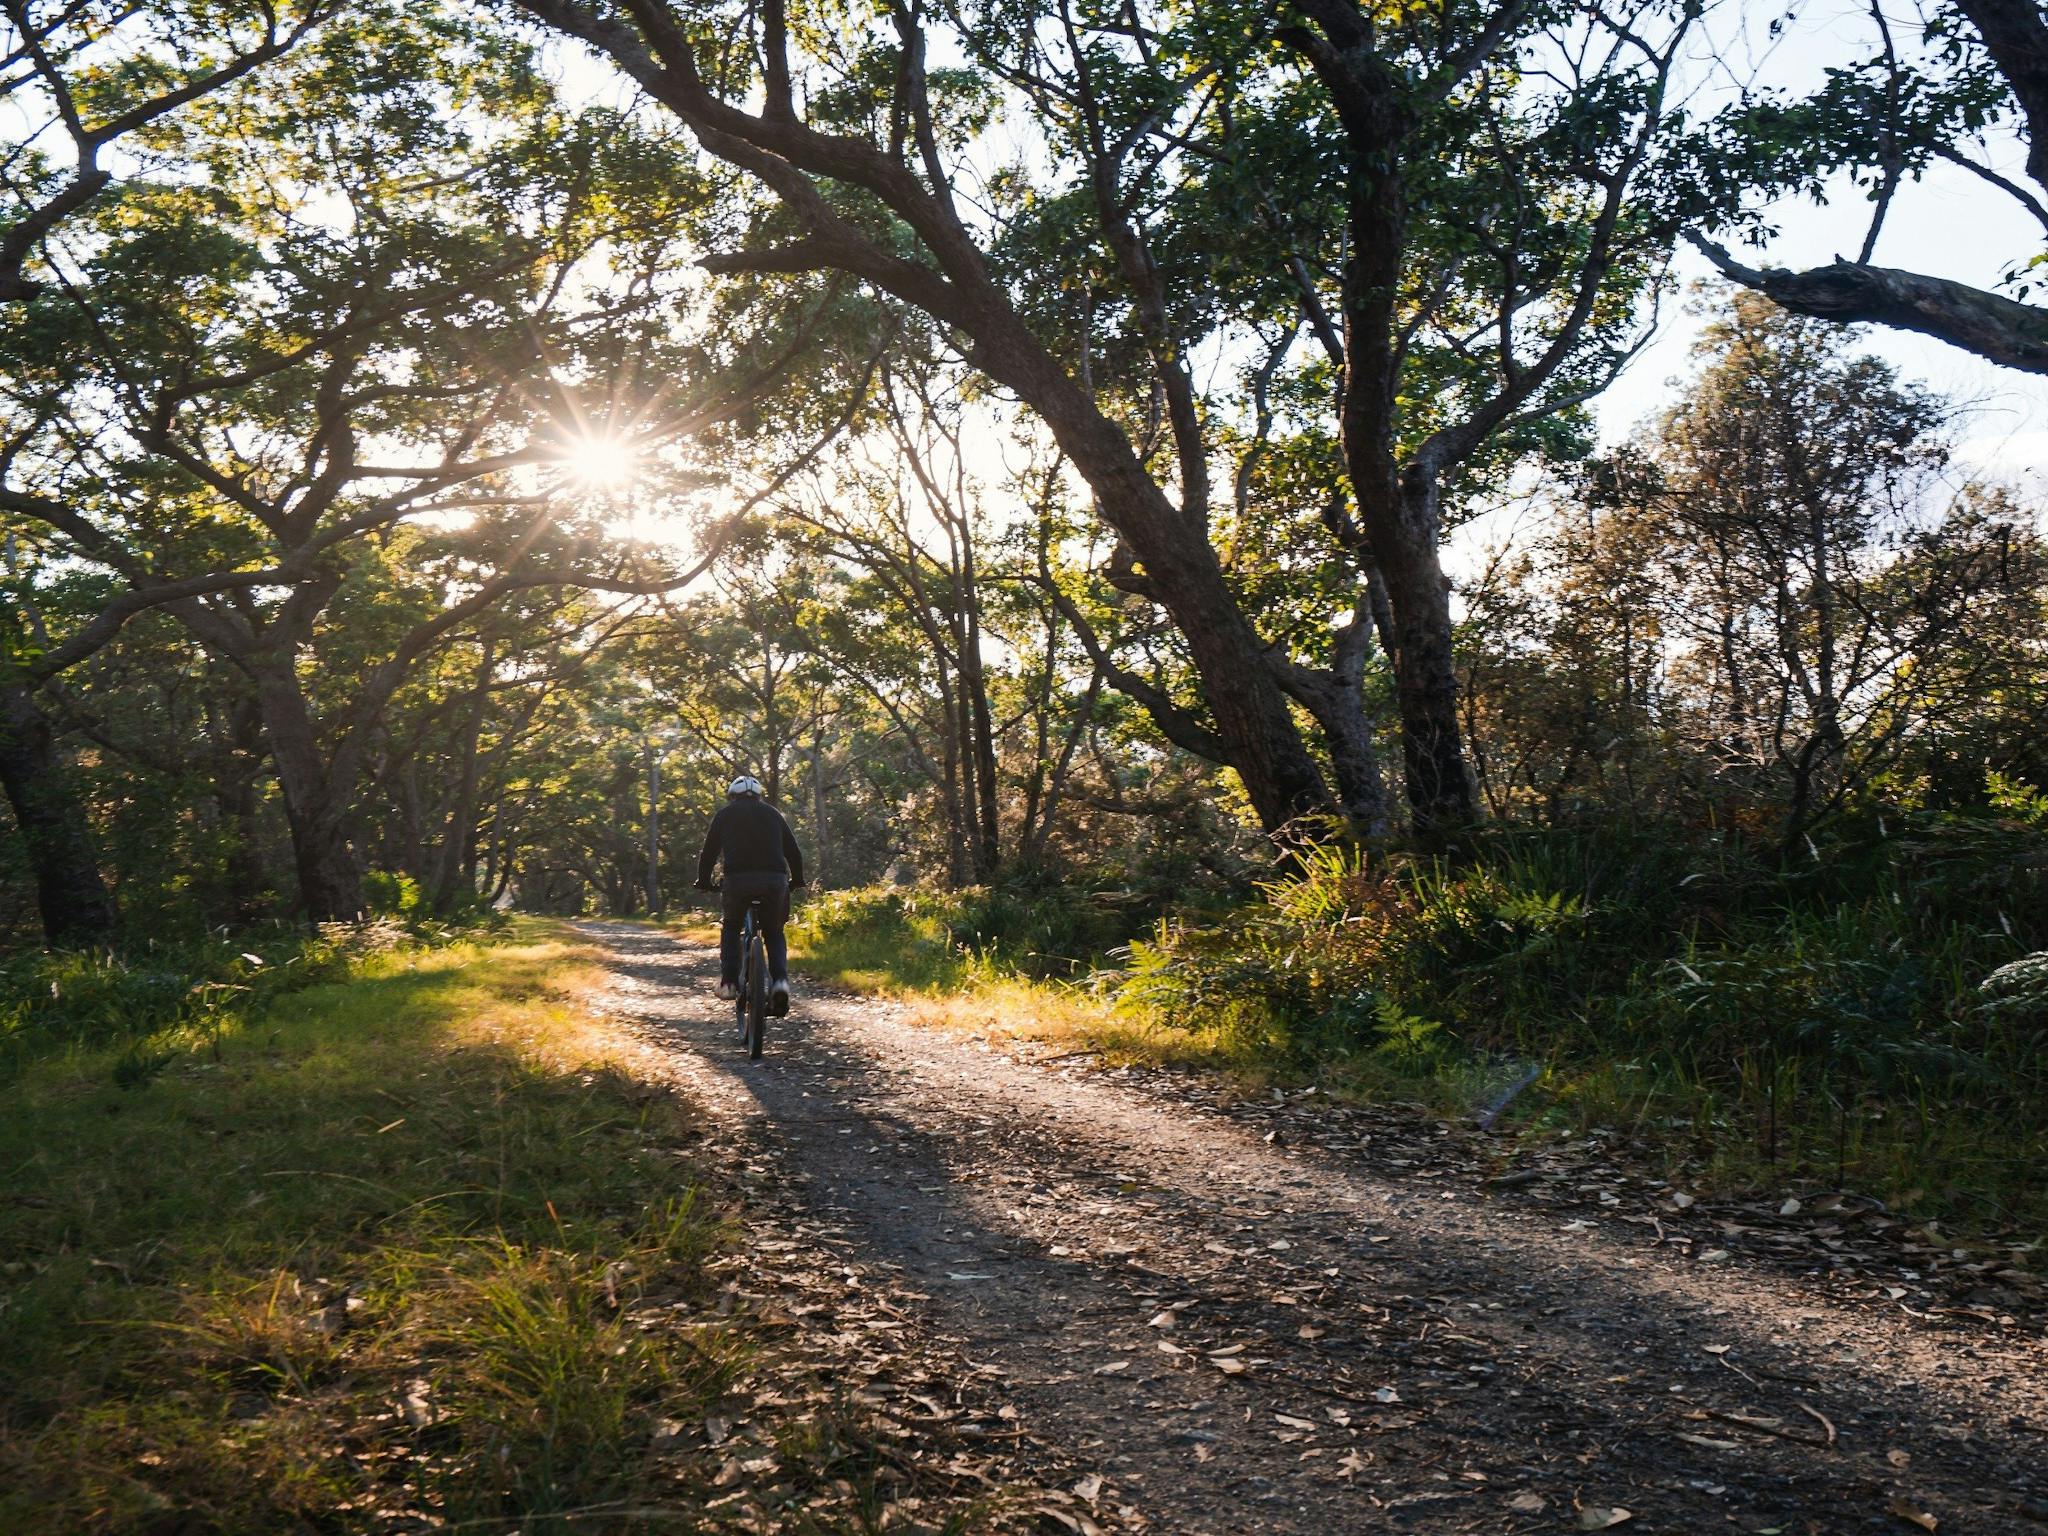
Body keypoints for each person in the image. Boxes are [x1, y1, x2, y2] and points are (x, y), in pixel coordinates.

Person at [694, 774, 805, 1014]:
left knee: (732, 926)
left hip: (737, 881)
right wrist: (797, 880)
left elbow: (709, 852)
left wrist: (703, 881)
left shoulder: (724, 815)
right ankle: (780, 983)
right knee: (774, 932)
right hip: (774, 881)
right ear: (759, 795)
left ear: (732, 796)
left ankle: (729, 982)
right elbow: (793, 852)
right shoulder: (774, 814)